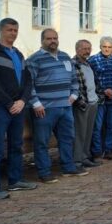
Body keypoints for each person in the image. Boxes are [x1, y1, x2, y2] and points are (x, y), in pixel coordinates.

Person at [27, 29, 88, 182]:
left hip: (65, 107)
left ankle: (68, 167)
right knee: (42, 141)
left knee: (67, 138)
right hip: (44, 109)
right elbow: (28, 85)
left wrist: (73, 96)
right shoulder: (34, 59)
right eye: (49, 38)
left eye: (55, 38)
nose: (52, 41)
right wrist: (36, 103)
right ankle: (44, 172)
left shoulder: (65, 57)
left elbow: (74, 79)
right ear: (42, 40)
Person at [0, 18, 37, 198]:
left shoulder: (19, 55)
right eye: (9, 30)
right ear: (1, 31)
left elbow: (28, 80)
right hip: (0, 107)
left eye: (15, 30)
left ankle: (15, 180)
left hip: (18, 108)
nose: (13, 33)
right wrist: (9, 103)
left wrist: (22, 101)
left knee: (16, 145)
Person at [88, 36, 112, 160]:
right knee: (97, 126)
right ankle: (97, 152)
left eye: (109, 47)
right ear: (100, 46)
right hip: (99, 99)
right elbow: (91, 79)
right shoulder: (92, 60)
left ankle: (109, 150)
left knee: (111, 126)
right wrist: (103, 90)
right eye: (104, 47)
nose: (107, 49)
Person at [71, 39, 102, 170]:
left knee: (88, 132)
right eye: (84, 48)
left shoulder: (88, 64)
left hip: (93, 102)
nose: (87, 51)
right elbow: (73, 85)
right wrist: (80, 101)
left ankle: (85, 157)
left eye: (89, 48)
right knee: (80, 134)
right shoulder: (73, 64)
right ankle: (77, 161)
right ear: (77, 49)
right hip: (82, 104)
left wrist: (98, 98)